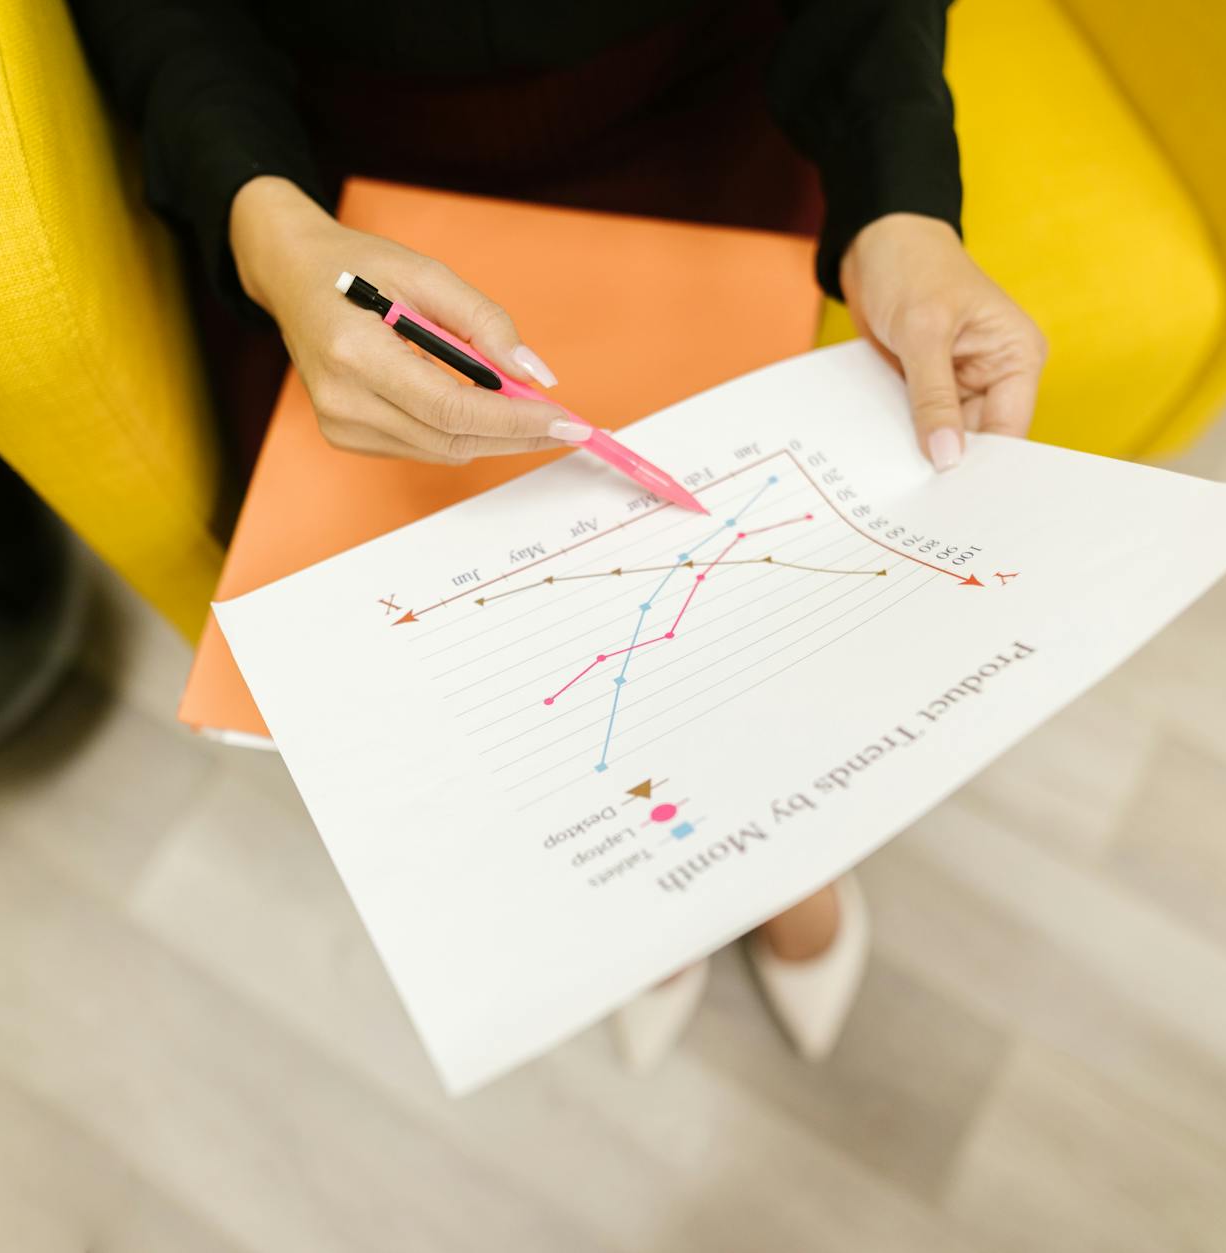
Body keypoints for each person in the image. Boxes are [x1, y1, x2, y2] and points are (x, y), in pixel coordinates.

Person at [72, 0, 1045, 1069]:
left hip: (703, 103)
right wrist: (265, 225)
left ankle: (768, 851)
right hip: (325, 179)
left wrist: (899, 205)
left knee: (737, 594)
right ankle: (646, 863)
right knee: (501, 653)